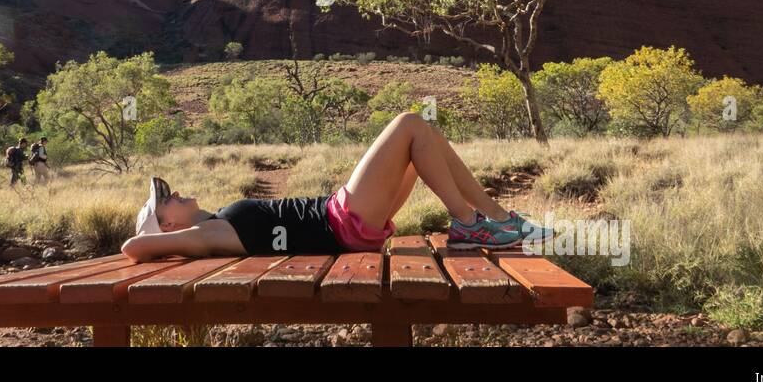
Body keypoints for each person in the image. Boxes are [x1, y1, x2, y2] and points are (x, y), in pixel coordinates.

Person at [121, 111, 552, 262]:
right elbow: (132, 249)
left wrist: (163, 230)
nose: (173, 193)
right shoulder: (207, 235)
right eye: (165, 201)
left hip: (348, 222)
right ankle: (471, 222)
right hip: (342, 221)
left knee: (426, 137)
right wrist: (158, 237)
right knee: (409, 124)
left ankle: (496, 219)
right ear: (168, 224)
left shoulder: (215, 224)